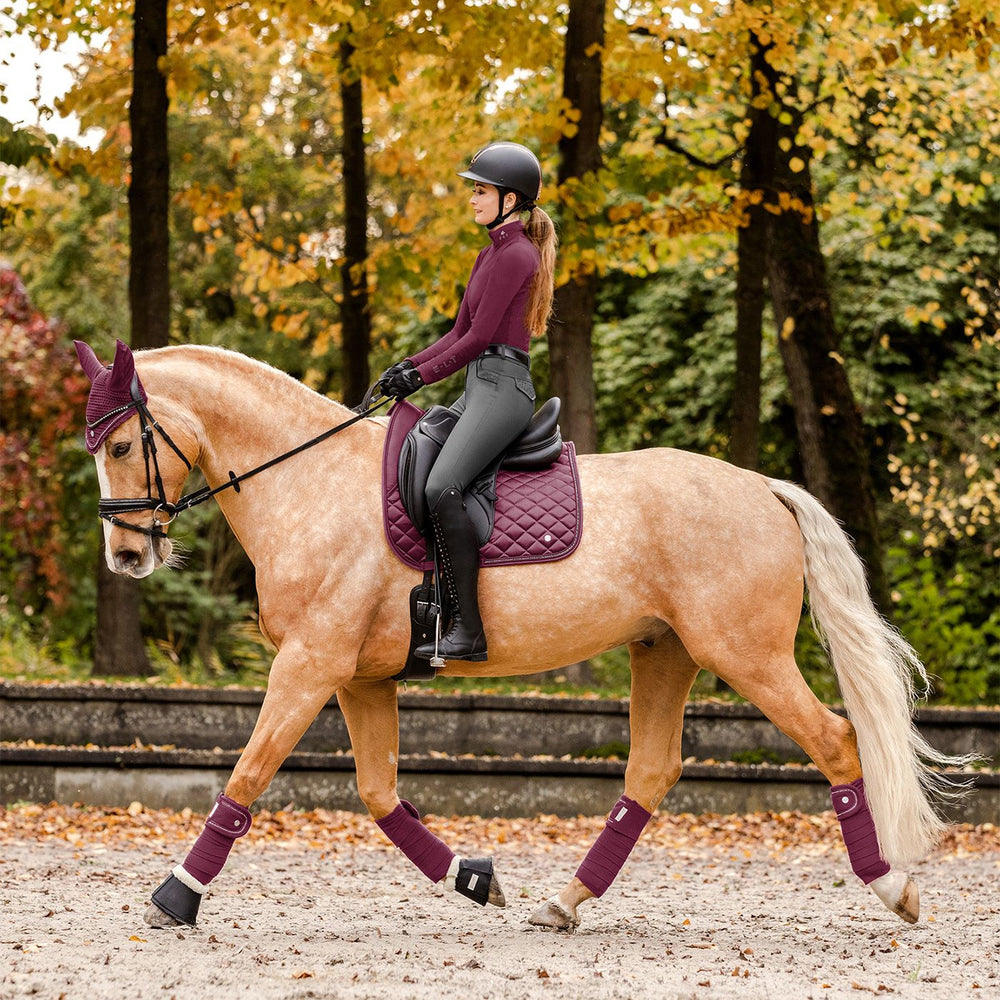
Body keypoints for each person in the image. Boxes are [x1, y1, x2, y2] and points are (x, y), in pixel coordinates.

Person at [380, 141, 558, 663]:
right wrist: (408, 367)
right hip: (479, 387)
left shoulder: (519, 253)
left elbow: (480, 338)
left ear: (509, 199)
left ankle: (469, 630)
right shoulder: (490, 253)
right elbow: (457, 330)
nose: (472, 199)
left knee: (442, 485)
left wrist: (423, 377)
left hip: (503, 390)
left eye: (480, 190)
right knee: (419, 457)